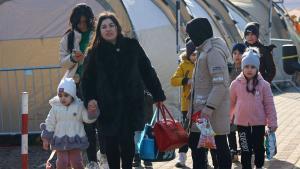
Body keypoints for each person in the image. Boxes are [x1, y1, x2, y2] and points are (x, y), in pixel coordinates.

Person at [81, 12, 166, 169]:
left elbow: (147, 70)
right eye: (104, 27)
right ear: (99, 31)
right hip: (107, 106)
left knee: (128, 143)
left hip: (130, 103)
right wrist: (90, 99)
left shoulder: (131, 45)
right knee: (110, 144)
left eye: (111, 25)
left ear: (117, 27)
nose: (108, 29)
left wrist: (158, 94)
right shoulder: (95, 53)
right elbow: (87, 80)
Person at [58, 4, 104, 169]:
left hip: (99, 83)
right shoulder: (69, 38)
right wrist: (72, 57)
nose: (82, 25)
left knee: (103, 122)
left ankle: (104, 155)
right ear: (74, 21)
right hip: (78, 85)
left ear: (90, 20)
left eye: (85, 21)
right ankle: (92, 160)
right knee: (88, 124)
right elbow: (62, 60)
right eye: (79, 22)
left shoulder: (98, 34)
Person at [186, 17, 232, 169]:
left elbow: (221, 83)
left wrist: (209, 107)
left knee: (218, 147)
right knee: (197, 146)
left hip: (210, 112)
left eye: (191, 34)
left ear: (199, 33)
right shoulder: (203, 50)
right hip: (201, 113)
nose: (190, 38)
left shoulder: (213, 52)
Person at [230, 49, 278, 169]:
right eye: (246, 66)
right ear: (242, 67)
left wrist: (272, 122)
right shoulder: (235, 84)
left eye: (252, 66)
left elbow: (269, 105)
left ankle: (259, 166)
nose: (249, 69)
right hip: (241, 123)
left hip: (259, 123)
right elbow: (230, 103)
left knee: (258, 147)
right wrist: (227, 119)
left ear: (257, 68)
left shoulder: (264, 85)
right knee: (245, 148)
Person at [40, 78, 98, 169]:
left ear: (72, 95)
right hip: (60, 140)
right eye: (60, 95)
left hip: (75, 139)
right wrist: (46, 138)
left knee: (76, 161)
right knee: (62, 162)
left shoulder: (79, 106)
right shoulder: (55, 107)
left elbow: (87, 119)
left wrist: (92, 111)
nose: (62, 98)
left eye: (66, 95)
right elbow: (50, 122)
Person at [170, 40, 196, 168]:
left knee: (201, 133)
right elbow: (174, 80)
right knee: (185, 132)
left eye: (197, 54)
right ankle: (182, 159)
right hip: (187, 106)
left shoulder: (204, 63)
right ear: (189, 54)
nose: (195, 57)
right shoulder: (183, 65)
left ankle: (203, 159)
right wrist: (186, 80)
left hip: (201, 105)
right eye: (193, 54)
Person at [227, 43, 246, 162]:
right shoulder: (228, 68)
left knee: (242, 130)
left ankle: (244, 151)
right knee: (230, 129)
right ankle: (233, 151)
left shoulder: (248, 68)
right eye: (235, 53)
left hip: (244, 105)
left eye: (240, 53)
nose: (237, 56)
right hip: (230, 105)